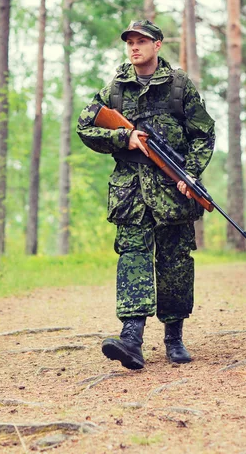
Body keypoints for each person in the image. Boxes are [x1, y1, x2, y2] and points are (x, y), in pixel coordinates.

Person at [76, 19, 215, 370]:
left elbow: (204, 134)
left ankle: (174, 338)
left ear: (158, 45)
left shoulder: (180, 87)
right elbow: (85, 127)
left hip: (173, 193)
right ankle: (132, 339)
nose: (134, 47)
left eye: (142, 41)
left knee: (176, 265)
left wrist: (191, 174)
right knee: (133, 259)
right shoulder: (115, 90)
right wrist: (125, 139)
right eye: (130, 42)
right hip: (131, 195)